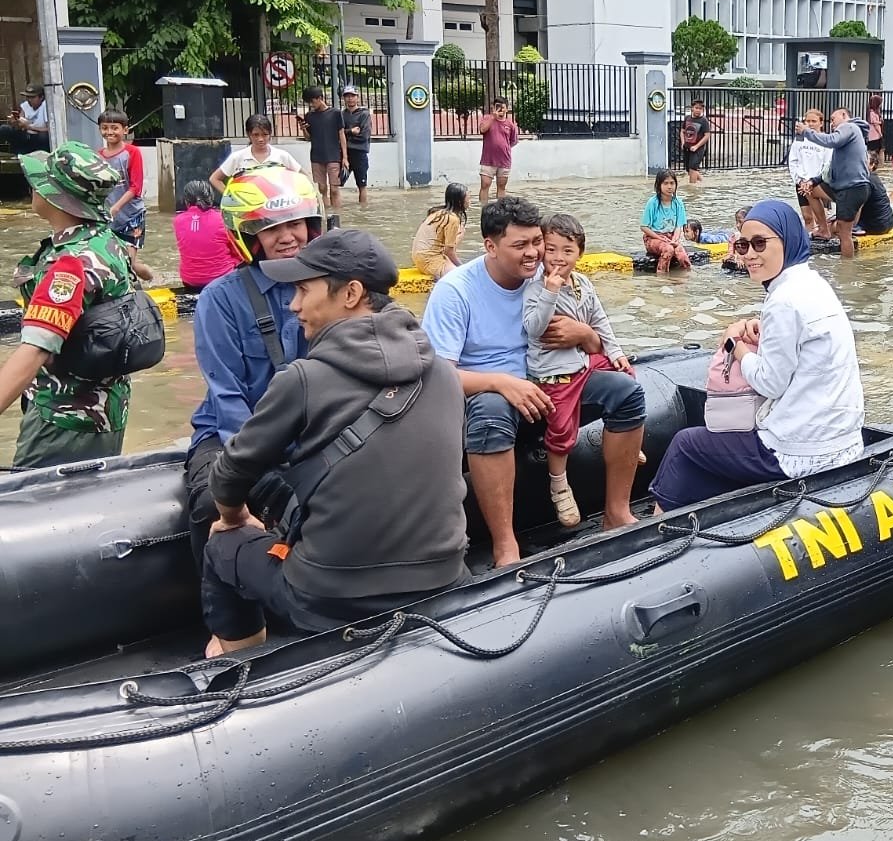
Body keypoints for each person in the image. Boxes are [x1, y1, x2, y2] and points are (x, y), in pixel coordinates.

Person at [198, 230, 468, 657]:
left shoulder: (303, 379)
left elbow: (229, 473)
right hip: (445, 575)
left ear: (351, 294)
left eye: (304, 290)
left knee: (222, 546)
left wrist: (234, 517)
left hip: (331, 596)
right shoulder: (443, 374)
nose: (293, 305)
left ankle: (237, 658)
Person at [422, 197, 646, 564]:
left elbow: (591, 342)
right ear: (490, 246)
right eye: (520, 246)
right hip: (492, 394)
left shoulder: (554, 281)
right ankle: (505, 544)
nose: (534, 254)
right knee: (491, 411)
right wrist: (501, 383)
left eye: (536, 242)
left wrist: (585, 335)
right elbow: (438, 374)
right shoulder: (456, 291)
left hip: (553, 384)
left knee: (627, 393)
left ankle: (616, 512)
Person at [651, 200, 864, 510]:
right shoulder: (814, 283)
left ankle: (648, 532)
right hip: (842, 441)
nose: (749, 254)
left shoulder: (783, 301)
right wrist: (761, 328)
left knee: (685, 445)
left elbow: (771, 384)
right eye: (742, 245)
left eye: (760, 243)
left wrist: (735, 349)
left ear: (787, 239)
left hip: (801, 451)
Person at [185, 168, 321, 564]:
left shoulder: (330, 287)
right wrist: (254, 468)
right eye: (270, 227)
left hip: (311, 429)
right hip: (233, 433)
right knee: (211, 504)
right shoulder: (220, 299)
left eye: (295, 224)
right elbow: (227, 396)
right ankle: (228, 622)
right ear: (247, 236)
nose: (286, 237)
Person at [0, 144, 136, 468]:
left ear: (53, 197)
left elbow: (35, 350)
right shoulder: (106, 241)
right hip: (105, 409)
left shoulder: (70, 265)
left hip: (64, 420)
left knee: (36, 511)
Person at [522, 213, 639, 529]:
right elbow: (535, 329)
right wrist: (549, 292)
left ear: (580, 254)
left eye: (568, 250)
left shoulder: (583, 284)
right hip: (554, 373)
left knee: (627, 376)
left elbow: (600, 321)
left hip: (582, 363)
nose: (559, 258)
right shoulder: (536, 288)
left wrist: (615, 353)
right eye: (552, 249)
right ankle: (559, 483)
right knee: (560, 428)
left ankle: (623, 443)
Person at [798, 108, 873, 258]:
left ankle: (846, 271)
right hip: (847, 187)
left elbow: (831, 141)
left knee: (844, 233)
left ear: (844, 116)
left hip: (851, 188)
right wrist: (813, 181)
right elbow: (830, 169)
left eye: (833, 119)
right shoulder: (850, 134)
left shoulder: (849, 127)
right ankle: (824, 229)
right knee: (810, 190)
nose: (832, 123)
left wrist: (806, 131)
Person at [98, 107, 155, 282]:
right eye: (105, 128)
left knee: (126, 263)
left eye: (114, 128)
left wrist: (116, 207)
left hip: (132, 216)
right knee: (112, 262)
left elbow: (135, 187)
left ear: (125, 130)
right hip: (107, 218)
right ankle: (150, 277)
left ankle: (150, 280)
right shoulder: (98, 156)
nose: (109, 132)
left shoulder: (132, 153)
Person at [174, 181, 242, 291]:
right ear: (211, 197)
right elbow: (238, 252)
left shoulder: (178, 221)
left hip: (189, 281)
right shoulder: (222, 218)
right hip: (221, 279)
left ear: (186, 201)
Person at [211, 114, 301, 192]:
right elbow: (214, 179)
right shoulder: (238, 157)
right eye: (256, 135)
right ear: (249, 134)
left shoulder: (282, 155)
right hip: (247, 209)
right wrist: (231, 197)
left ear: (270, 134)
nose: (260, 139)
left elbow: (303, 176)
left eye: (265, 134)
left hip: (278, 207)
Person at [299, 86, 347, 215]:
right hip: (316, 156)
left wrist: (345, 157)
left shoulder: (336, 113)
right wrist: (303, 129)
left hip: (333, 156)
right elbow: (309, 137)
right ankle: (327, 215)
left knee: (335, 189)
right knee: (322, 188)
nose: (311, 105)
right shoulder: (309, 116)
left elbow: (341, 134)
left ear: (320, 98)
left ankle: (337, 216)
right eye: (309, 102)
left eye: (312, 101)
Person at [788, 110, 832, 236]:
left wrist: (813, 181)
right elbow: (793, 161)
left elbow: (827, 165)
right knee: (807, 217)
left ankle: (824, 234)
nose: (810, 124)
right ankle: (809, 241)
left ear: (821, 123)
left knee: (821, 216)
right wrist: (799, 180)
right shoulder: (799, 140)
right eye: (807, 121)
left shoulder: (826, 141)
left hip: (818, 183)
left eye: (814, 121)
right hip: (801, 182)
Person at [411, 183, 469, 279]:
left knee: (460, 233)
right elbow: (448, 252)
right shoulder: (452, 219)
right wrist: (463, 268)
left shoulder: (437, 213)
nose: (469, 201)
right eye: (468, 198)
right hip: (430, 261)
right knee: (462, 277)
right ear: (460, 201)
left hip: (419, 259)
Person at [641, 169, 692, 273]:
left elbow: (678, 226)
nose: (669, 186)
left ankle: (685, 277)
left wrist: (675, 240)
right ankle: (662, 276)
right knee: (668, 249)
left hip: (670, 237)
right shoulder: (653, 203)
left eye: (672, 183)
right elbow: (644, 227)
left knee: (682, 254)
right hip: (653, 238)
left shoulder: (678, 203)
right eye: (666, 183)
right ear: (659, 185)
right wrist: (659, 238)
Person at [478, 97, 519, 205]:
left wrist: (503, 148)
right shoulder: (487, 118)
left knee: (501, 186)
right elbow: (482, 130)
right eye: (497, 107)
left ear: (507, 109)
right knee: (485, 185)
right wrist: (493, 117)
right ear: (493, 107)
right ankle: (484, 209)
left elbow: (513, 141)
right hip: (488, 160)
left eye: (502, 107)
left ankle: (500, 210)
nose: (500, 110)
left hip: (504, 161)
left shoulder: (510, 124)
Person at [340, 86, 372, 209]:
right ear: (344, 98)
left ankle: (363, 210)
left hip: (359, 153)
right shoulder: (342, 115)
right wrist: (350, 132)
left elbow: (364, 135)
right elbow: (338, 134)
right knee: (336, 183)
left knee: (362, 185)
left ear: (357, 97)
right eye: (347, 96)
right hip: (343, 154)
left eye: (352, 96)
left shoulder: (364, 114)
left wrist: (345, 135)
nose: (350, 99)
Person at [0, 84, 50, 153]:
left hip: (38, 138)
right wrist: (16, 122)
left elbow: (49, 129)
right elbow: (20, 126)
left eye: (32, 97)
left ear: (41, 97)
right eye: (28, 97)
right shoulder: (25, 105)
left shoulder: (45, 105)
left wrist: (30, 127)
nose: (29, 100)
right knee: (4, 129)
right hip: (26, 136)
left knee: (43, 137)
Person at [680, 98, 712, 183]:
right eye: (696, 108)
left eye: (700, 109)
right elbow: (682, 131)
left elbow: (707, 135)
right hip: (687, 147)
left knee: (693, 168)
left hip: (698, 149)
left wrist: (697, 146)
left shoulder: (703, 120)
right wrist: (683, 142)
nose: (698, 110)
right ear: (692, 108)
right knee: (688, 169)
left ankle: (692, 189)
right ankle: (702, 182)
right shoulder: (687, 118)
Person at [866, 93, 885, 170]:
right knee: (877, 149)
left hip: (872, 134)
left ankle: (878, 163)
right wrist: (880, 133)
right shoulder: (873, 113)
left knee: (877, 149)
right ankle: (878, 164)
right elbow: (875, 124)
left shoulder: (871, 112)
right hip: (875, 134)